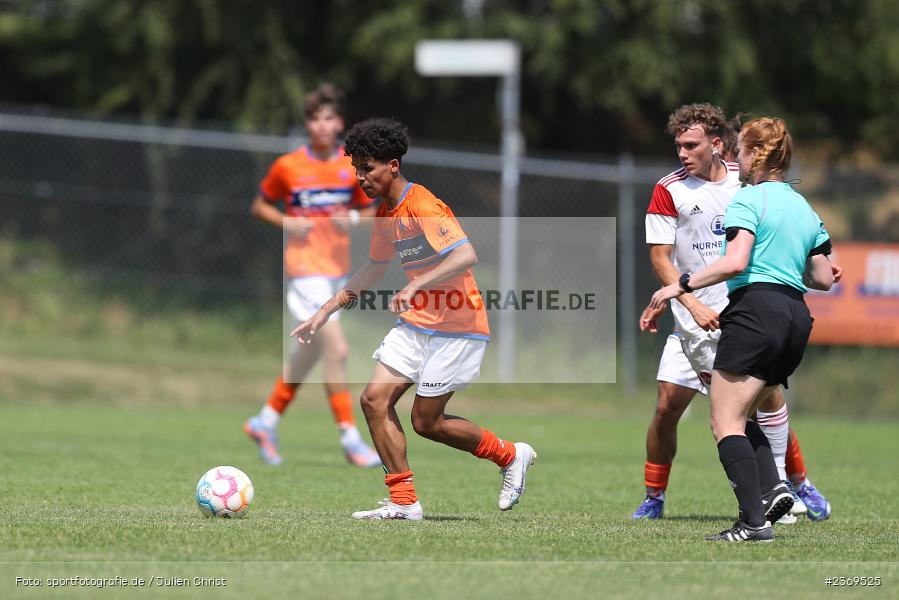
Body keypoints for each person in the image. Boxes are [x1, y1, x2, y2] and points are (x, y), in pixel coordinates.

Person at [291, 117, 536, 520]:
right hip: (418, 324)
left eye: (367, 168)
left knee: (427, 421)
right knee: (373, 400)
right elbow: (372, 268)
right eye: (356, 168)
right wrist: (325, 309)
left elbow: (464, 255)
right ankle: (404, 502)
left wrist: (417, 284)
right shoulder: (386, 214)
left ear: (392, 166)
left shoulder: (423, 204)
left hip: (458, 326)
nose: (360, 177)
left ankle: (510, 455)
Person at [632, 104, 832, 523]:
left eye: (691, 145)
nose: (683, 153)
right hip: (695, 318)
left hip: (745, 310)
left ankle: (791, 486)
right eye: (679, 146)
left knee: (756, 403)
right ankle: (655, 496)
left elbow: (759, 245)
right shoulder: (670, 189)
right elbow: (660, 256)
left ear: (717, 144)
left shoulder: (750, 184)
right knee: (671, 405)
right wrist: (689, 301)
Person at [243, 84, 380, 468]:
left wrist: (352, 217)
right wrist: (288, 221)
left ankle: (264, 421)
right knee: (337, 350)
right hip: (304, 273)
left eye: (328, 118)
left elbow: (374, 212)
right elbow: (259, 206)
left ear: (339, 123)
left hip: (337, 275)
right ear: (307, 124)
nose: (321, 126)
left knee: (306, 356)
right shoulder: (289, 166)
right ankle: (350, 437)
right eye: (314, 119)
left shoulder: (352, 166)